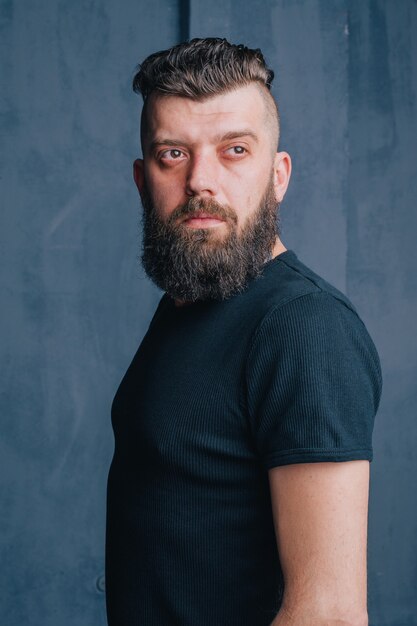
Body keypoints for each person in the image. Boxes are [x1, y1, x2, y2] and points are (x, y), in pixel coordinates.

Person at [105, 38, 382, 626]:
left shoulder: (305, 328)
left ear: (278, 175)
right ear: (141, 178)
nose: (201, 180)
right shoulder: (191, 300)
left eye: (234, 149)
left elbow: (328, 614)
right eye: (173, 154)